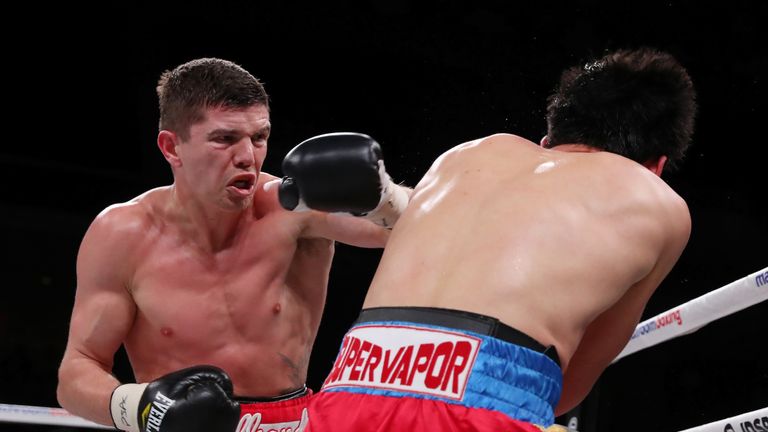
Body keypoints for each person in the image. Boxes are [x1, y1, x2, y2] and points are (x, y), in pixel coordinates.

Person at [306, 47, 697, 431]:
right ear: (656, 167)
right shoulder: (659, 202)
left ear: (549, 138)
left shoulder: (466, 153)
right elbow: (568, 388)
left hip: (350, 385)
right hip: (484, 401)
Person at [56, 58, 411, 432]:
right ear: (171, 147)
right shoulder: (122, 234)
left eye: (259, 137)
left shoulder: (294, 208)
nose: (248, 157)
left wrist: (385, 196)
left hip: (294, 422)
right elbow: (76, 373)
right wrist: (144, 408)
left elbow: (412, 230)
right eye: (224, 139)